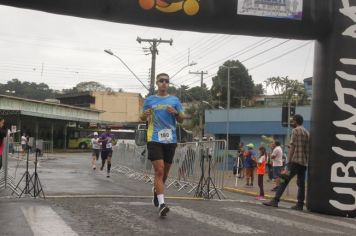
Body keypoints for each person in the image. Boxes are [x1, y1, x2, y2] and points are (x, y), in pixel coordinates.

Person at [140, 73, 184, 217]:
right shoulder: (149, 100)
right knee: (159, 171)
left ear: (168, 84)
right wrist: (144, 114)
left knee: (164, 174)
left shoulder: (175, 100)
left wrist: (176, 113)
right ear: (157, 83)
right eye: (161, 81)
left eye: (166, 81)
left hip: (170, 140)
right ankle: (162, 204)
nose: (164, 83)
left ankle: (156, 192)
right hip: (154, 138)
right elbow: (141, 117)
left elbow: (182, 119)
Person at [263, 114, 310, 210]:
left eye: (292, 121)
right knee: (301, 184)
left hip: (295, 161)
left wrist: (288, 161)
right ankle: (300, 204)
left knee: (284, 180)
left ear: (296, 121)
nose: (291, 123)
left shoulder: (295, 130)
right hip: (304, 162)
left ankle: (275, 200)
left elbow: (293, 147)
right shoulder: (306, 132)